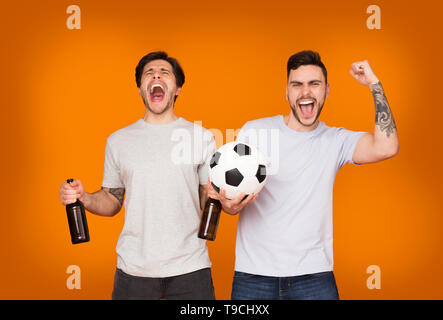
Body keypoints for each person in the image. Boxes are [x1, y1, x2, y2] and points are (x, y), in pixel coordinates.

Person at [208, 50, 399, 300]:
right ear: (287, 91)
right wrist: (229, 207)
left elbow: (387, 147)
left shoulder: (336, 140)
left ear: (327, 90)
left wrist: (374, 84)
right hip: (253, 276)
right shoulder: (255, 131)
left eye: (314, 84)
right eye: (297, 84)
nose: (305, 92)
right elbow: (231, 195)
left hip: (314, 277)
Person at [59, 51, 216, 300]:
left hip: (190, 268)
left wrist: (223, 193)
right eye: (149, 73)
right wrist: (85, 198)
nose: (156, 75)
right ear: (141, 89)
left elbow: (207, 200)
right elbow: (112, 201)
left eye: (165, 72)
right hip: (134, 270)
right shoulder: (118, 141)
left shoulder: (201, 136)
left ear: (177, 89)